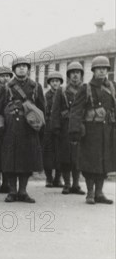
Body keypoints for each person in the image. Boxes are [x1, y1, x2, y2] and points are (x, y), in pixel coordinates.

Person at [0, 57, 46, 203]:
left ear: (28, 69)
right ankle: (12, 191)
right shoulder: (6, 87)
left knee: (27, 161)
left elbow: (42, 109)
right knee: (10, 161)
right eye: (18, 66)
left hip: (29, 128)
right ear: (14, 70)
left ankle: (23, 191)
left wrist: (41, 129)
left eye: (24, 66)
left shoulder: (36, 87)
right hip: (10, 128)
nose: (22, 68)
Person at [69, 55, 116, 205]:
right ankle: (90, 193)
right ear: (93, 71)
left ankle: (99, 193)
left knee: (104, 163)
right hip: (90, 131)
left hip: (106, 130)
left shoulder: (111, 87)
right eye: (99, 69)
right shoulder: (86, 88)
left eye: (105, 69)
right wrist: (75, 130)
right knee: (90, 163)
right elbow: (76, 110)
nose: (102, 71)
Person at [50, 62, 86, 195]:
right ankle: (66, 184)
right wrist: (56, 127)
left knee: (77, 156)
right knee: (65, 157)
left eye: (78, 72)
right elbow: (55, 110)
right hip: (65, 127)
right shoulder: (62, 90)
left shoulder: (86, 89)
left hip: (80, 126)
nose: (75, 75)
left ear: (81, 75)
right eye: (72, 73)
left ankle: (76, 185)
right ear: (69, 75)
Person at [43, 72, 64, 188]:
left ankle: (58, 178)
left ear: (60, 82)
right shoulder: (46, 96)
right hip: (48, 127)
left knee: (60, 152)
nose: (55, 83)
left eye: (57, 81)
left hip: (61, 127)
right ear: (50, 83)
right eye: (53, 81)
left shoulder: (64, 94)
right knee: (48, 153)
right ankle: (49, 178)